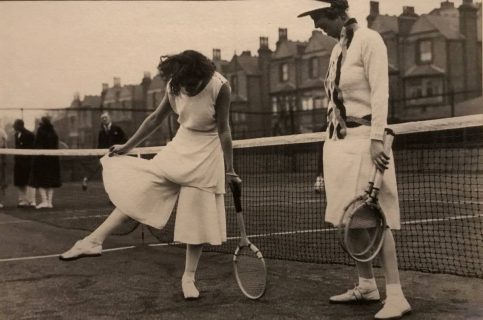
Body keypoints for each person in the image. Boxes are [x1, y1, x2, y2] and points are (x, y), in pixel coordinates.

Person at [59, 50, 241, 300]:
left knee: (196, 218)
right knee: (140, 191)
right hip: (182, 143)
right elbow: (155, 118)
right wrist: (127, 147)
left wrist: (229, 169)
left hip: (208, 152)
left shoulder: (220, 87)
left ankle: (189, 277)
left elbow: (224, 130)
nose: (187, 87)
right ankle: (93, 241)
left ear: (200, 74)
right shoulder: (174, 85)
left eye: (191, 83)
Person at [298, 1, 411, 319]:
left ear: (337, 11)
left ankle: (397, 295)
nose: (316, 24)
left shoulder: (369, 40)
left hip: (365, 142)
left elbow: (381, 91)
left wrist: (377, 139)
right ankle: (366, 285)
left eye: (319, 17)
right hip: (338, 145)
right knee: (350, 219)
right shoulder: (336, 50)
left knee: (376, 219)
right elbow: (334, 102)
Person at [30, 117, 61, 209]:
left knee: (40, 181)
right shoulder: (53, 132)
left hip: (42, 160)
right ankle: (49, 202)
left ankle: (45, 201)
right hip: (52, 160)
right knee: (50, 181)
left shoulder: (41, 131)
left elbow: (37, 144)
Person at [13, 119, 36, 207]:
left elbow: (32, 148)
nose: (13, 127)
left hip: (28, 162)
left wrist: (26, 158)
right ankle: (23, 200)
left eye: (15, 125)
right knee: (20, 182)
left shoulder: (30, 135)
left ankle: (32, 201)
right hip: (18, 162)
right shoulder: (16, 135)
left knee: (29, 182)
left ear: (20, 125)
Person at [0, 127, 7, 209]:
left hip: (1, 157)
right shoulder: (2, 131)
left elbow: (5, 145)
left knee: (1, 179)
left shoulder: (2, 131)